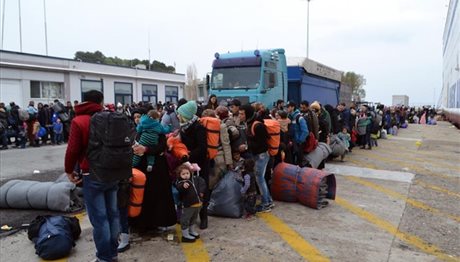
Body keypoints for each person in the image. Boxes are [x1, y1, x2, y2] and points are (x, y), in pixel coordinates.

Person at [64, 90, 122, 262]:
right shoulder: (111, 118)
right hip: (113, 172)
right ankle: (112, 253)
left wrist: (69, 170)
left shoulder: (79, 121)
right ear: (101, 101)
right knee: (113, 214)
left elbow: (73, 149)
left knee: (100, 219)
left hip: (92, 173)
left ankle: (104, 258)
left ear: (84, 101)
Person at [177, 100, 210, 229]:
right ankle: (189, 217)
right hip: (188, 164)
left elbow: (203, 148)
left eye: (180, 114)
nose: (178, 116)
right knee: (188, 191)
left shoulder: (199, 127)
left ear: (186, 114)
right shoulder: (184, 127)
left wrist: (188, 155)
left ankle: (204, 217)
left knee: (201, 190)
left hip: (200, 165)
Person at [239, 104, 273, 212]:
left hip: (261, 155)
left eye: (242, 113)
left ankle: (266, 203)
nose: (240, 116)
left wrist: (247, 146)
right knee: (260, 179)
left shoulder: (257, 126)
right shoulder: (250, 122)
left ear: (248, 113)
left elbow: (263, 144)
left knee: (260, 179)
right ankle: (268, 200)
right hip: (258, 155)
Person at [175, 163, 206, 243]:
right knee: (185, 219)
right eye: (183, 174)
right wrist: (183, 185)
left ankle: (191, 231)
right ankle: (185, 235)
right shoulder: (181, 183)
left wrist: (202, 193)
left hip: (197, 204)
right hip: (188, 205)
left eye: (187, 173)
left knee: (194, 218)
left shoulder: (194, 179)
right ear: (179, 175)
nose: (186, 175)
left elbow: (202, 184)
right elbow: (179, 187)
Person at [287, 101, 309, 166]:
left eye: (288, 107)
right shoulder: (289, 117)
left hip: (298, 143)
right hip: (291, 142)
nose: (287, 108)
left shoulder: (299, 117)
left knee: (299, 162)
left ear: (293, 107)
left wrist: (299, 141)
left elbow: (305, 131)